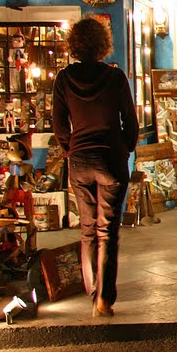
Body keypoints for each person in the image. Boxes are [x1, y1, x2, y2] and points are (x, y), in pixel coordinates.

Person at [52, 18, 138, 317]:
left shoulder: (64, 79)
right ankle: (104, 297)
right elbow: (130, 119)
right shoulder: (115, 78)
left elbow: (59, 124)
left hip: (79, 161)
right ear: (103, 44)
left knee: (87, 231)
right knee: (107, 232)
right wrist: (126, 147)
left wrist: (69, 149)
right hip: (111, 159)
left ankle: (93, 294)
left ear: (74, 44)